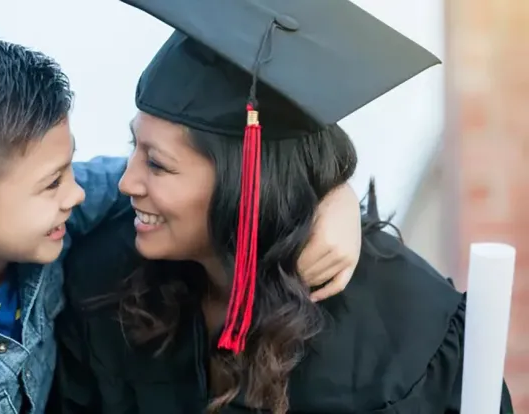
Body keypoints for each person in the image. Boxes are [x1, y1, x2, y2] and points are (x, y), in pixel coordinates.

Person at [0, 26, 361, 413]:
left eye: (67, 166)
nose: (79, 193)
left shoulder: (49, 219)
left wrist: (331, 193)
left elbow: (180, 188)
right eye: (53, 183)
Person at [49, 1, 515, 413]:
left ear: (249, 180)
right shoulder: (105, 278)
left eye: (157, 164)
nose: (128, 181)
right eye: (134, 147)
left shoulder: (410, 334)